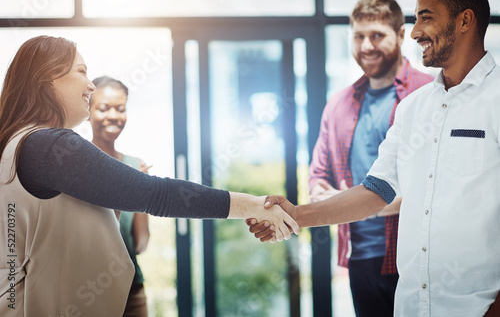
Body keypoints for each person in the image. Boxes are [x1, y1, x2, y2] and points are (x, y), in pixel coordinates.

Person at [0, 35, 299, 317]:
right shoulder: (50, 145)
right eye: (81, 71)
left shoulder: (22, 144)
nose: (91, 85)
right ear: (50, 79)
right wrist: (255, 206)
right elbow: (155, 194)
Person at [250, 0, 500, 315]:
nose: (416, 33)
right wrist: (296, 214)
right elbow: (375, 190)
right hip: (411, 306)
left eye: (426, 18)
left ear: (465, 20)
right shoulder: (413, 108)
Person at [307, 0, 433, 317]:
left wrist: (360, 206)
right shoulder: (338, 105)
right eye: (359, 36)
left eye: (377, 35)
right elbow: (318, 176)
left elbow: (434, 187)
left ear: (401, 35)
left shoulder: (430, 94)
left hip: (417, 260)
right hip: (359, 259)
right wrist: (323, 195)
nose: (366, 46)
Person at [89, 76, 151, 317]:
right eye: (103, 108)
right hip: (87, 292)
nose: (113, 115)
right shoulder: (75, 167)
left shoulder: (136, 166)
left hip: (132, 291)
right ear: (88, 111)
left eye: (120, 108)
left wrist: (142, 195)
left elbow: (140, 244)